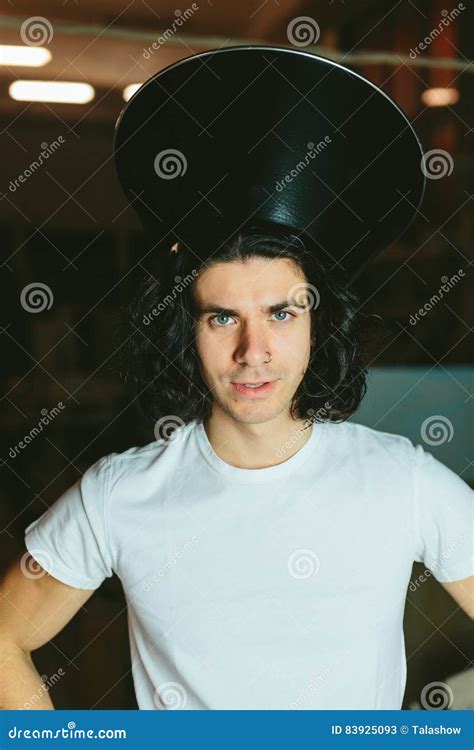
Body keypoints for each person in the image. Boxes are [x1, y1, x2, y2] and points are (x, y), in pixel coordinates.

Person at [0, 46, 472, 711]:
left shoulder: (405, 481)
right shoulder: (119, 495)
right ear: (186, 332)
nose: (254, 350)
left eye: (281, 313)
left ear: (316, 325)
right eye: (223, 317)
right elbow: (4, 636)